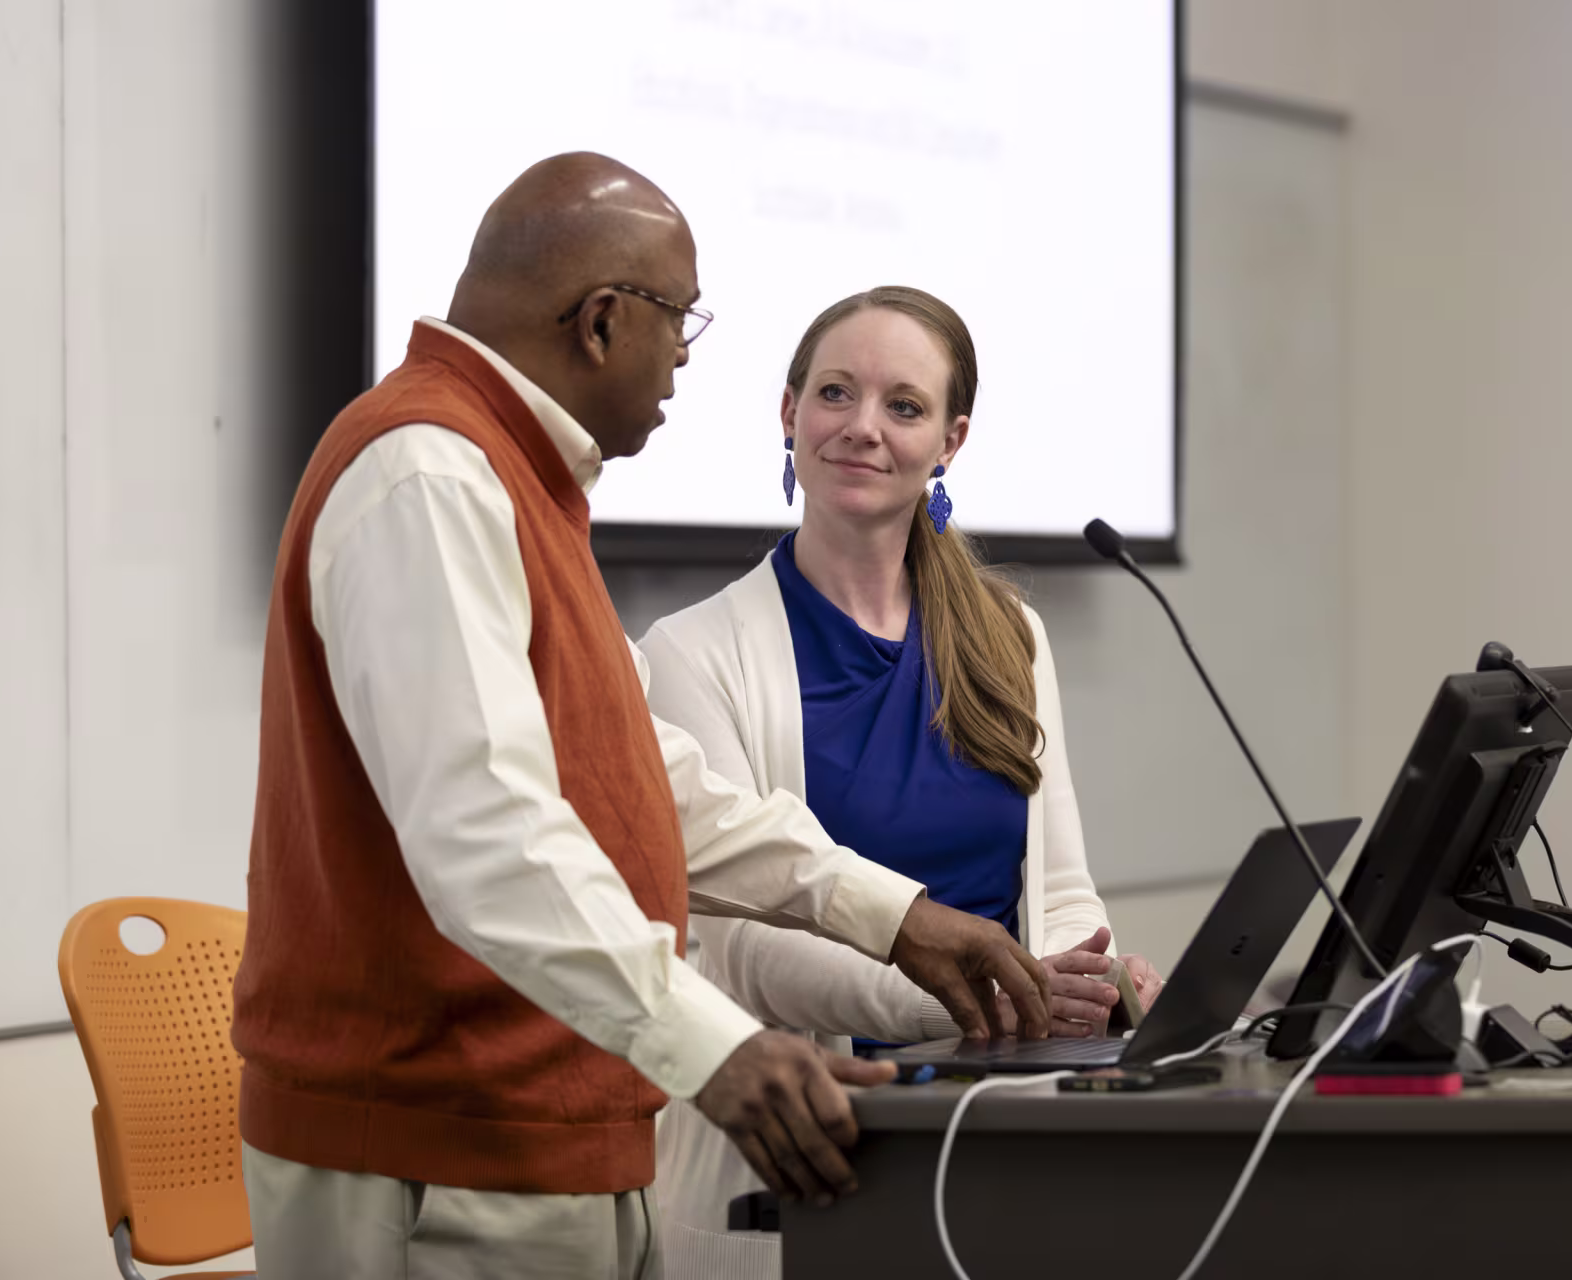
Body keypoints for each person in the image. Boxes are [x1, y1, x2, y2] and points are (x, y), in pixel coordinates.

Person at [232, 158, 1053, 1280]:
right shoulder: (430, 475)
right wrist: (714, 1045)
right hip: (441, 1148)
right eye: (683, 321)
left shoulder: (510, 479)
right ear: (604, 321)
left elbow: (646, 779)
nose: (683, 359)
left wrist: (896, 913)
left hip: (548, 1133)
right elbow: (491, 837)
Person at [640, 286, 1165, 1275]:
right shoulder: (693, 652)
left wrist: (1091, 981)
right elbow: (752, 952)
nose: (862, 428)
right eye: (834, 392)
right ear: (788, 410)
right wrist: (996, 1000)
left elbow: (1056, 889)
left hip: (1007, 1125)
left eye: (904, 405)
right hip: (813, 1148)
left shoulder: (1010, 630)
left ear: (951, 439)